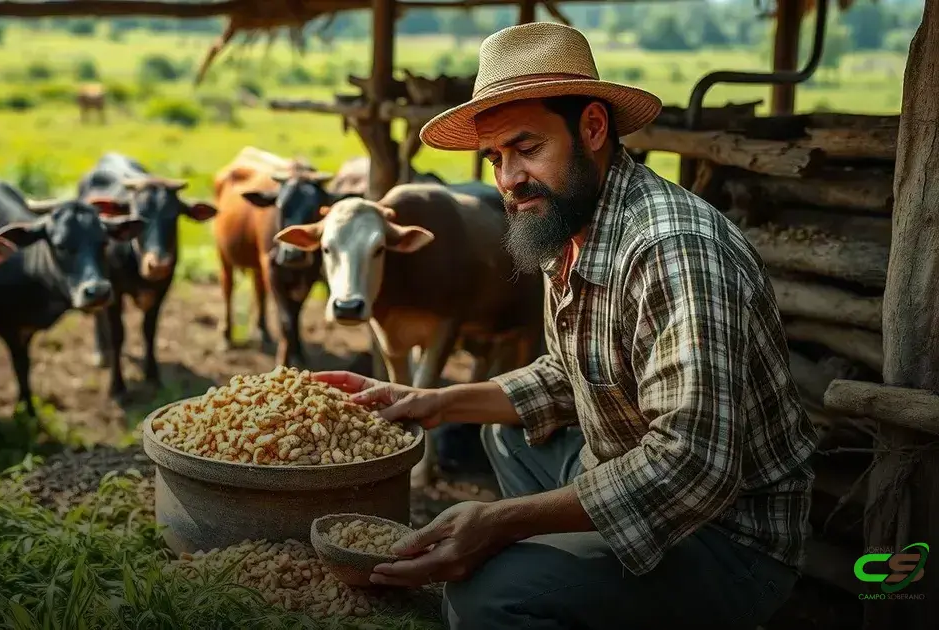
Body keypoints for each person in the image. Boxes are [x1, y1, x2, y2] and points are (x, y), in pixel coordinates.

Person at [312, 22, 820, 630]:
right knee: (502, 432)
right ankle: (568, 581)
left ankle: (549, 588)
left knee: (485, 598)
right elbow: (566, 374)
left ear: (593, 129)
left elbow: (692, 465)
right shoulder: (570, 224)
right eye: (496, 157)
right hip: (634, 473)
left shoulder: (674, 251)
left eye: (527, 148)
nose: (507, 179)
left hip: (725, 539)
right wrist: (434, 402)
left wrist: (502, 522)